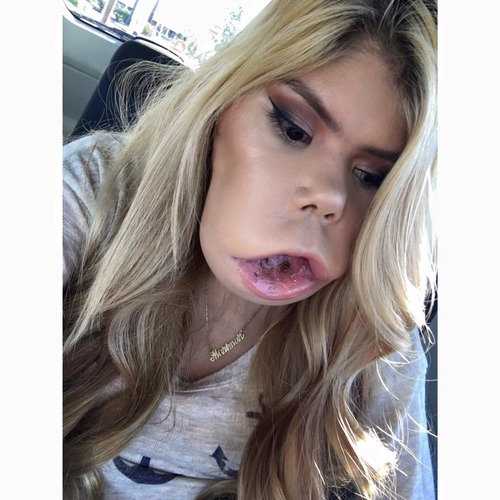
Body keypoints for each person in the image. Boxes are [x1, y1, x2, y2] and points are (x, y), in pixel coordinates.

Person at [63, 0, 437, 498]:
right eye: (293, 129)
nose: (331, 198)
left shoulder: (369, 333)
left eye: (370, 176)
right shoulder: (93, 192)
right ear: (221, 106)